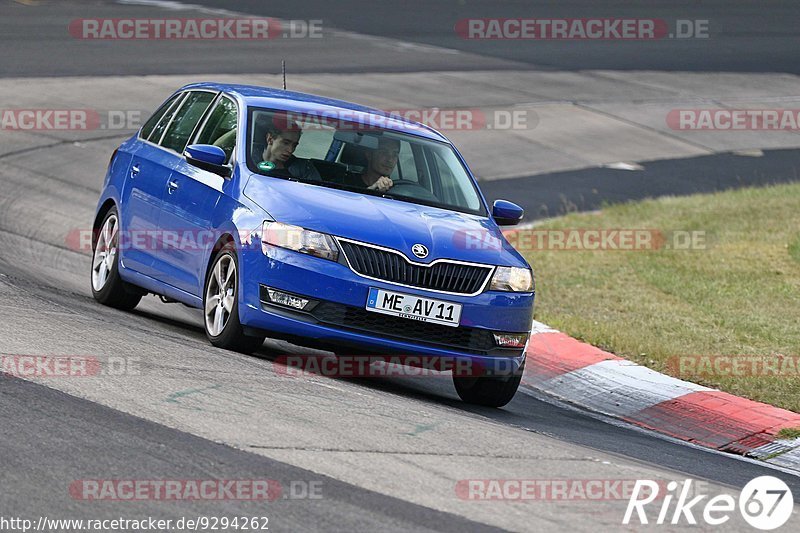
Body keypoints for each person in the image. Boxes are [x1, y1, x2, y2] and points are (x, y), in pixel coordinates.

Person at [255, 119, 321, 181]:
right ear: (270, 139)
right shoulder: (248, 158)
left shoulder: (303, 169)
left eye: (294, 145)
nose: (290, 150)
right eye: (285, 143)